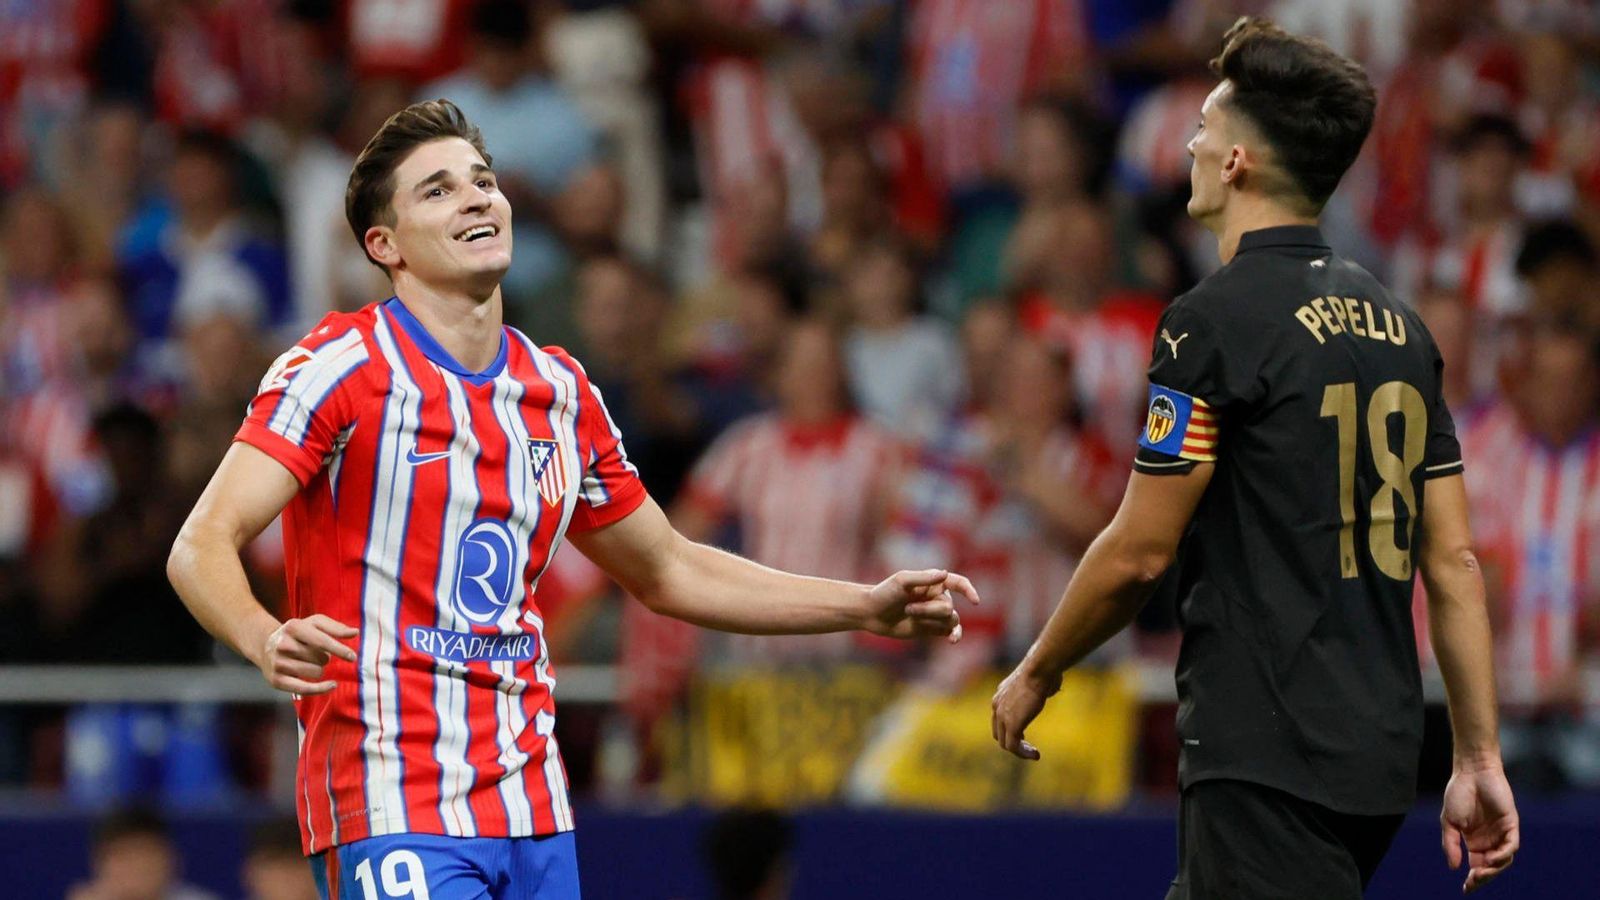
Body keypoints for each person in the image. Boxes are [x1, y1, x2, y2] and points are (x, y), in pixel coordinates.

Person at [166, 99, 977, 900]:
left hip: (530, 802)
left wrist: (863, 606)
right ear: (386, 245)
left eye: (483, 180)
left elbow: (668, 569)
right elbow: (201, 544)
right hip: (389, 792)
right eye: (439, 190)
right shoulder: (339, 365)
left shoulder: (558, 390)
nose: (478, 196)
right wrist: (262, 636)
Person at [989, 18, 1519, 898]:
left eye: (1204, 127)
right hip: (1377, 755)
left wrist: (1039, 668)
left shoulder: (1211, 324)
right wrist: (1477, 755)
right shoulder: (1403, 330)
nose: (1191, 144)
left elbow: (1140, 551)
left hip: (1267, 750)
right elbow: (1454, 562)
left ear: (1237, 164)